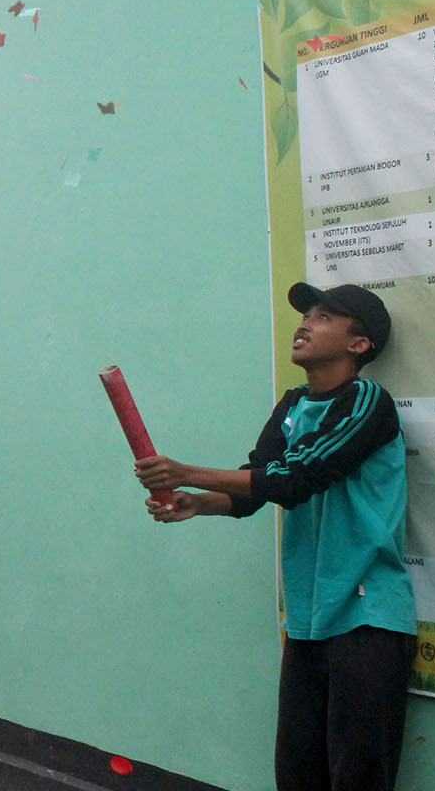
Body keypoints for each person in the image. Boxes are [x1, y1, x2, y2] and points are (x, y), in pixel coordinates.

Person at [136, 283, 412, 791]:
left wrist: (185, 472)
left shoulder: (366, 401)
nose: (305, 323)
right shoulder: (292, 404)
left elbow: (296, 480)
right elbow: (255, 486)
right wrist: (198, 504)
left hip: (368, 620)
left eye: (324, 316)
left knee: (359, 781)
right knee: (297, 778)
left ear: (360, 345)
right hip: (307, 622)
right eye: (306, 314)